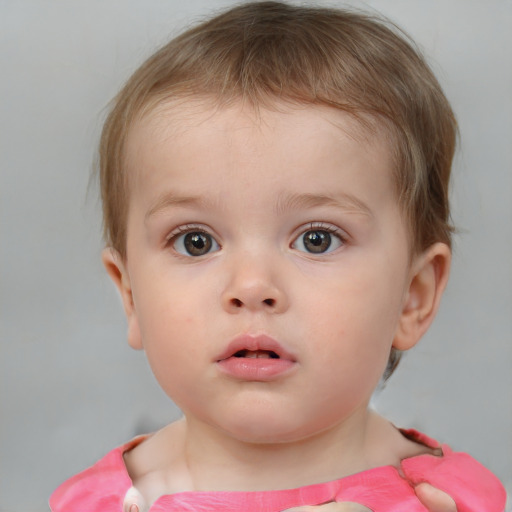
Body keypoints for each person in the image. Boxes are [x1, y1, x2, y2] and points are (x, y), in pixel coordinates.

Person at [49, 2, 507, 511]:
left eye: (317, 239)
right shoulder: (101, 504)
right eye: (195, 241)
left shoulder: (447, 501)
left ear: (412, 296)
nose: (251, 286)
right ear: (131, 293)